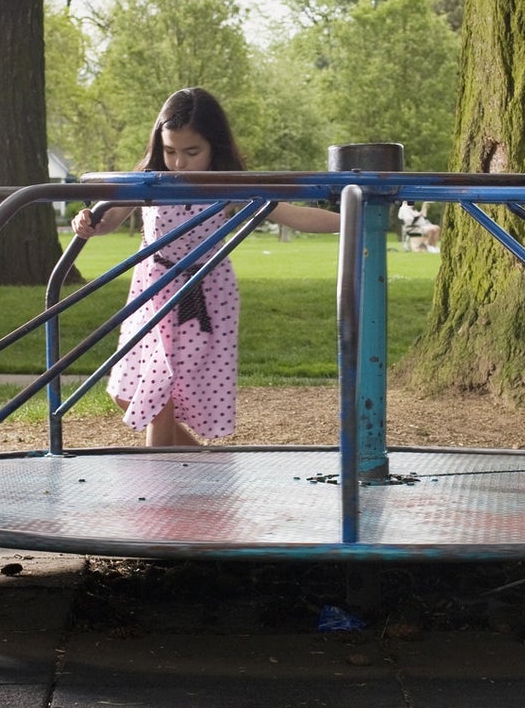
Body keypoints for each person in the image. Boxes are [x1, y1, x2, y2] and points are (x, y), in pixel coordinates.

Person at [71, 87, 339, 447]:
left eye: (192, 152)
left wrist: (352, 215)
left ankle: (159, 492)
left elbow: (296, 215)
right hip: (152, 287)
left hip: (205, 292)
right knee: (127, 391)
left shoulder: (228, 184)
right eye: (170, 151)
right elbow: (109, 218)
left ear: (215, 147)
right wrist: (88, 222)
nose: (179, 163)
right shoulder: (150, 179)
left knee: (160, 391)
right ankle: (202, 466)